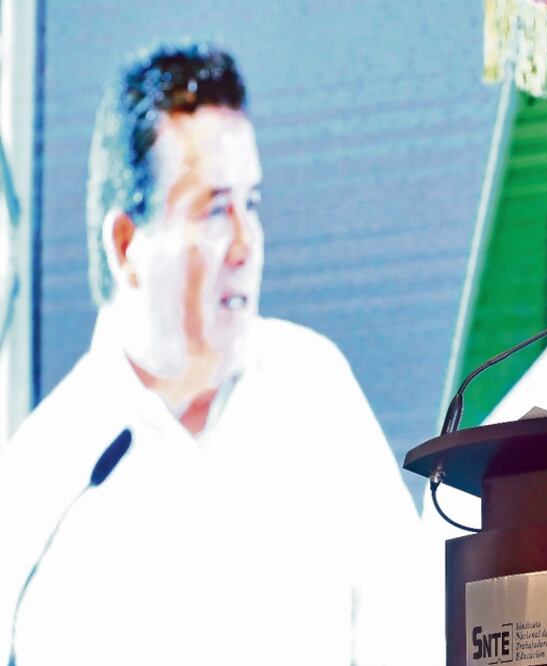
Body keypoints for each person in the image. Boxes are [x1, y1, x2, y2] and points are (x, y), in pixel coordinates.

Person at [0, 44, 433, 665]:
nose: (245, 245)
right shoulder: (44, 476)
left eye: (250, 204)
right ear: (126, 244)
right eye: (213, 210)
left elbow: (410, 632)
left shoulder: (312, 385)